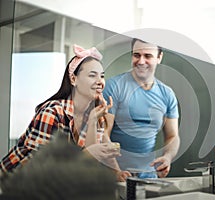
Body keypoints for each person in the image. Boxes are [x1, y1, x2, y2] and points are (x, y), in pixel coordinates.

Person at [0, 44, 126, 181]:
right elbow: (38, 170)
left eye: (102, 76)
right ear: (73, 79)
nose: (100, 82)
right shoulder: (52, 113)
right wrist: (85, 155)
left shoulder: (95, 116)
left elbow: (96, 158)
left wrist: (116, 173)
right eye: (92, 75)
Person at [103, 38, 180, 179]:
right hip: (114, 176)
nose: (141, 61)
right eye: (136, 55)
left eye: (148, 56)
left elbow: (172, 136)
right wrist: (115, 170)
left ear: (159, 57)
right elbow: (103, 134)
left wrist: (167, 157)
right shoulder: (114, 87)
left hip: (149, 177)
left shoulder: (167, 94)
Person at [0, 133, 117, 200]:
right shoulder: (52, 111)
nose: (100, 88)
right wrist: (85, 155)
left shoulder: (93, 118)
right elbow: (30, 169)